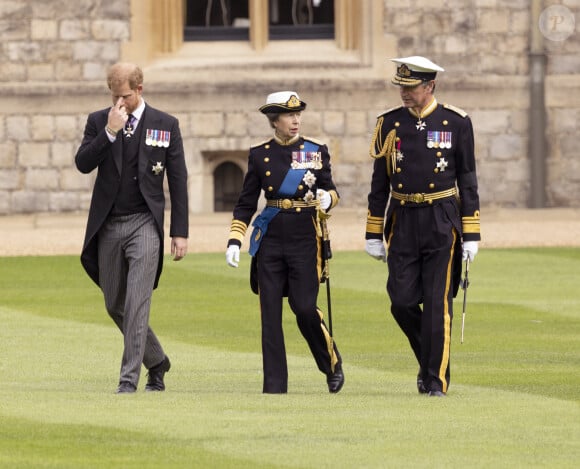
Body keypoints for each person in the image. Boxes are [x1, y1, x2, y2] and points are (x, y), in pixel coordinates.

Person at [365, 56, 481, 397]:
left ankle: (435, 380)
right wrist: (373, 231)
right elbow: (379, 182)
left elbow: (468, 179)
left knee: (436, 302)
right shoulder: (389, 123)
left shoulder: (457, 122)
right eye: (401, 87)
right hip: (402, 218)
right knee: (400, 301)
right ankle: (430, 357)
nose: (404, 93)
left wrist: (471, 232)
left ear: (429, 86)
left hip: (442, 219)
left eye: (411, 87)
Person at [75, 62, 189, 394]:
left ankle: (128, 381)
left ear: (139, 90)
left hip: (145, 224)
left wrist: (179, 232)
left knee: (138, 302)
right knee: (115, 304)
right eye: (114, 96)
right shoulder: (99, 121)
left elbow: (178, 180)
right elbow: (83, 164)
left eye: (124, 96)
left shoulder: (165, 124)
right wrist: (109, 133)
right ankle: (157, 360)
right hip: (109, 224)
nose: (119, 103)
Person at [225, 91, 344, 394]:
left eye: (298, 114)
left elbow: (333, 190)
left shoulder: (316, 151)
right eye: (289, 116)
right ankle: (275, 387)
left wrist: (326, 199)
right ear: (274, 121)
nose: (295, 120)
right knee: (270, 317)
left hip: (305, 238)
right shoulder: (259, 155)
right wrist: (235, 240)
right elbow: (246, 203)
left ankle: (330, 363)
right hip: (271, 242)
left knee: (304, 308)